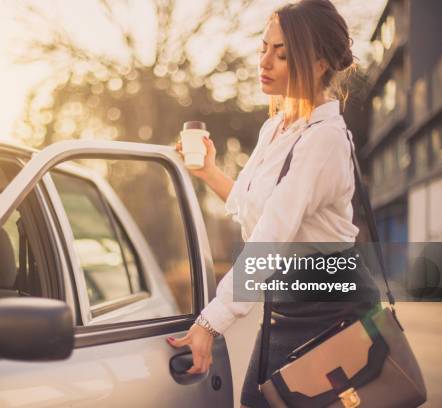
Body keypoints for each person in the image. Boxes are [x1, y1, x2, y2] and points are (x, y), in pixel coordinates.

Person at [171, 1, 381, 407]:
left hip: (329, 307)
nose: (265, 61)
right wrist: (210, 173)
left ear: (319, 63)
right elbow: (256, 211)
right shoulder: (277, 127)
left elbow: (271, 236)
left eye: (281, 54)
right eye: (264, 48)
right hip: (288, 301)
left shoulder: (324, 139)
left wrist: (209, 323)